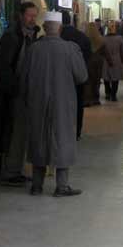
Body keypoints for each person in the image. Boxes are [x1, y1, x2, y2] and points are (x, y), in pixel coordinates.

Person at [22, 11, 88, 197]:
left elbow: (23, 78)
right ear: (60, 28)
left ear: (44, 28)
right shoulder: (70, 49)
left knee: (39, 138)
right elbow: (82, 76)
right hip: (63, 101)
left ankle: (36, 185)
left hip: (37, 101)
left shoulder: (33, 49)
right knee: (62, 139)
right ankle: (62, 186)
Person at [0, 1, 39, 186]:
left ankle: (15, 170)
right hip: (15, 93)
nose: (32, 19)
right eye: (29, 15)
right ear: (21, 15)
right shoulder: (12, 37)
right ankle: (11, 172)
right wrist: (14, 89)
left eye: (35, 16)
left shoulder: (31, 35)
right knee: (14, 132)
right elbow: (3, 67)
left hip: (24, 91)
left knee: (20, 132)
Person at [61, 10, 92, 139]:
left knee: (61, 104)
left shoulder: (58, 36)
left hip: (61, 77)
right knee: (78, 103)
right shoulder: (82, 36)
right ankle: (76, 131)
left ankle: (63, 130)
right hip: (78, 76)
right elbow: (88, 55)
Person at [83, 22, 112, 107]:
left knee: (87, 81)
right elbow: (106, 52)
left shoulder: (85, 38)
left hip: (87, 61)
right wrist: (110, 61)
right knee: (96, 80)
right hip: (98, 62)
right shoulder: (100, 39)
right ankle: (96, 99)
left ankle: (87, 100)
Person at [103, 21, 123, 101]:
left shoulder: (103, 38)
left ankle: (107, 93)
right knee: (115, 78)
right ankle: (113, 95)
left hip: (106, 59)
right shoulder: (119, 38)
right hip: (117, 59)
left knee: (106, 77)